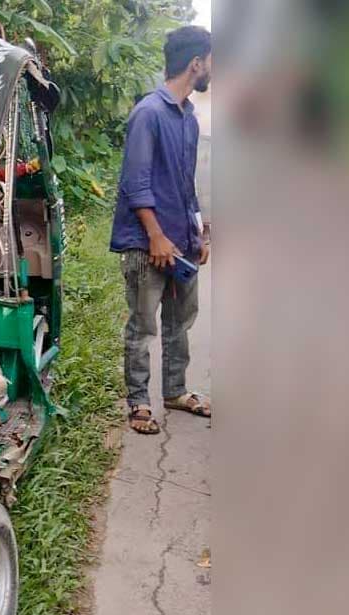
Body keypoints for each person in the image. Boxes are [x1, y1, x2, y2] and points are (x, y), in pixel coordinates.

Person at [111, 25, 213, 434]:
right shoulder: (148, 113)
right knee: (143, 325)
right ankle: (138, 401)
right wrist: (155, 235)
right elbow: (135, 183)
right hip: (146, 243)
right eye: (212, 62)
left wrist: (201, 233)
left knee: (180, 321)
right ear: (196, 63)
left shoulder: (188, 118)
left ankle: (174, 391)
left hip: (181, 242)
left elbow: (186, 183)